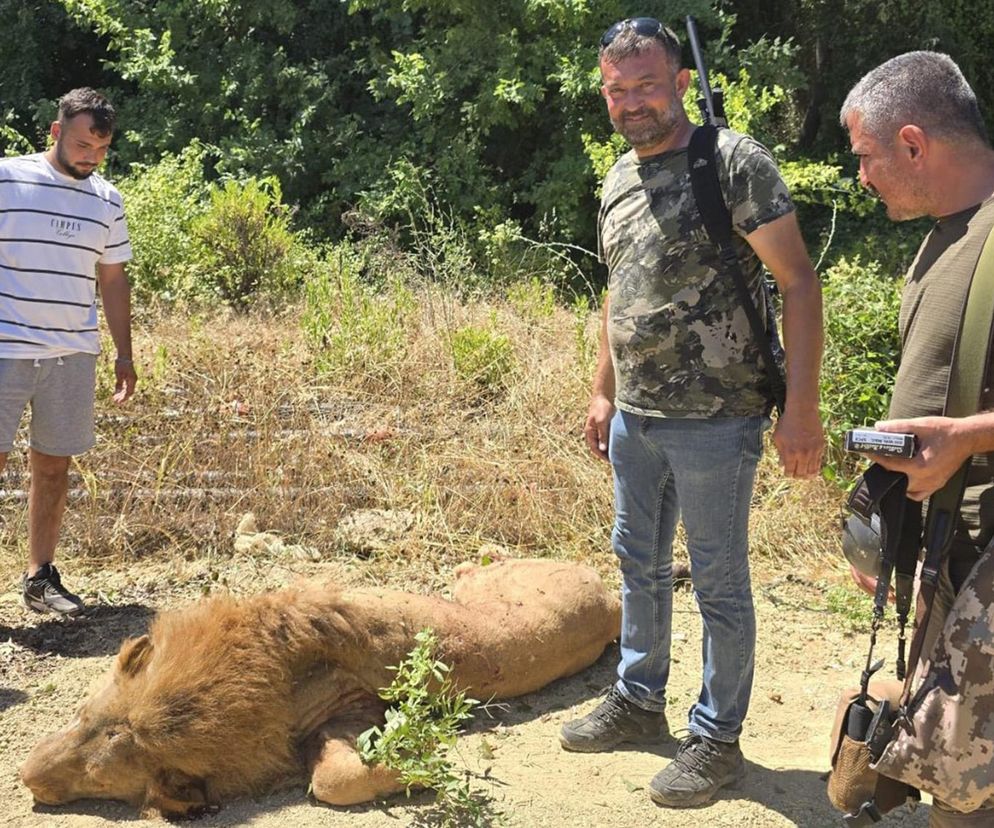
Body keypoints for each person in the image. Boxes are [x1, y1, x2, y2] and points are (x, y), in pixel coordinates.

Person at [558, 17, 824, 808]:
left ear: (678, 81)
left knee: (717, 581)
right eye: (616, 90)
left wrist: (800, 412)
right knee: (636, 563)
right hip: (636, 417)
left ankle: (717, 740)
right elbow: (617, 292)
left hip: (719, 419)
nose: (632, 102)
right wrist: (602, 390)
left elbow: (799, 283)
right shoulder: (615, 177)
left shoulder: (732, 162)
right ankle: (640, 701)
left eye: (646, 85)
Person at [840, 51, 994, 826]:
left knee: (966, 794)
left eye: (864, 156)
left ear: (911, 143)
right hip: (952, 560)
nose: (860, 176)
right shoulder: (947, 235)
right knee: (953, 785)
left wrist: (967, 438)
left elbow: (960, 426)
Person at [0, 87, 135, 617]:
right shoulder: (7, 178)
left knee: (53, 467)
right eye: (82, 144)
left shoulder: (107, 200)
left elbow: (114, 278)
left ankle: (40, 578)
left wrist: (124, 354)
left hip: (72, 353)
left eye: (101, 149)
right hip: (5, 348)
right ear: (56, 132)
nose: (90, 157)